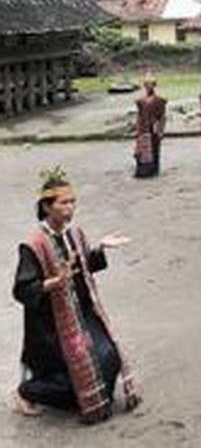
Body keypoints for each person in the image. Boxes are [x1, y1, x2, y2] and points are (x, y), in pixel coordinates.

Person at [12, 167, 140, 423]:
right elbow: (23, 290)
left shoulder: (74, 234)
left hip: (84, 314)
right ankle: (25, 391)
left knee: (109, 358)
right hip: (52, 326)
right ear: (47, 207)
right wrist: (56, 282)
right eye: (64, 203)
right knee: (74, 388)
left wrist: (99, 250)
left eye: (72, 202)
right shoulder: (33, 245)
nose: (70, 208)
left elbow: (82, 267)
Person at [133, 73, 167, 178]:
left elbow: (162, 116)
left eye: (150, 84)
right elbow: (139, 115)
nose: (148, 87)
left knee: (154, 148)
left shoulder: (159, 100)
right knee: (143, 149)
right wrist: (137, 128)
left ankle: (153, 169)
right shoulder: (140, 101)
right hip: (143, 127)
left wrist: (160, 129)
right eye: (146, 85)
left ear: (154, 85)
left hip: (153, 127)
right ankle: (143, 170)